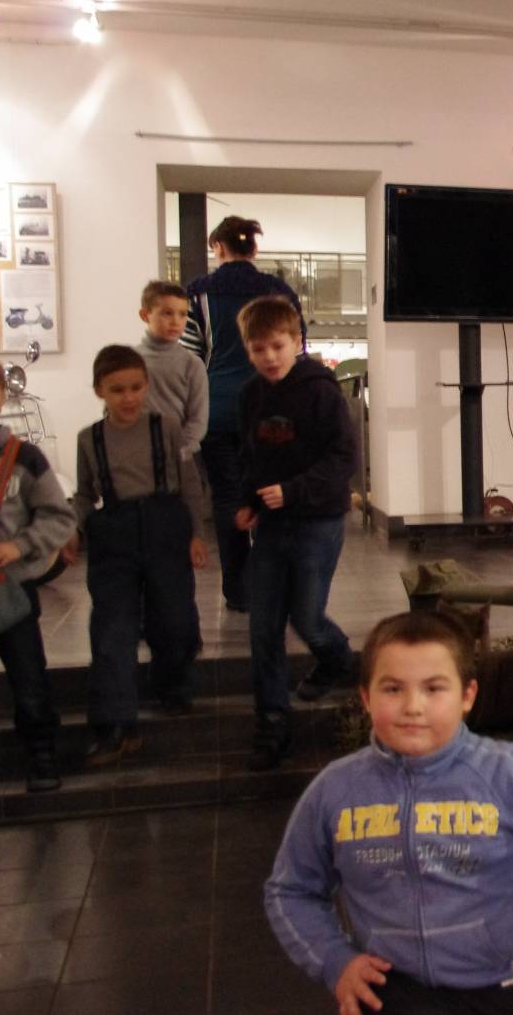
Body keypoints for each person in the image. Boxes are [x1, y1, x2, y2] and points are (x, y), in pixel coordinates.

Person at [265, 609, 513, 1015]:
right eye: (392, 688)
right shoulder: (335, 791)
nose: (413, 706)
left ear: (467, 696)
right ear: (366, 698)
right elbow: (291, 890)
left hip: (506, 986)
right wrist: (334, 961)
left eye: (433, 688)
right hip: (392, 990)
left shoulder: (509, 776)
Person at [234, 295, 359, 770]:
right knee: (263, 626)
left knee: (307, 617)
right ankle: (271, 720)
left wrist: (294, 490)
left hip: (318, 521)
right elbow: (251, 456)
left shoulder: (321, 392)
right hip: (272, 525)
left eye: (277, 346)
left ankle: (338, 657)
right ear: (248, 349)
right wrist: (249, 502)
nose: (269, 357)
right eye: (259, 348)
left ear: (296, 342)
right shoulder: (250, 396)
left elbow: (344, 457)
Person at [65, 346, 207, 763]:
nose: (128, 397)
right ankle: (116, 726)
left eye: (135, 387)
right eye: (117, 390)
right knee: (112, 630)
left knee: (175, 619)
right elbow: (85, 494)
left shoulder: (166, 427)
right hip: (114, 536)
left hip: (166, 527)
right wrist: (73, 529)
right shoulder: (89, 439)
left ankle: (172, 684)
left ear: (146, 386)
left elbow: (189, 483)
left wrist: (196, 533)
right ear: (99, 391)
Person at [182, 215, 306, 614]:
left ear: (218, 247)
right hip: (272, 410)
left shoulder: (197, 294)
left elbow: (190, 359)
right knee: (273, 493)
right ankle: (274, 582)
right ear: (254, 248)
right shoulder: (280, 292)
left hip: (218, 411)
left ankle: (238, 589)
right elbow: (298, 352)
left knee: (227, 497)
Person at [0, 359, 76, 793]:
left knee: (28, 674)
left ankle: (42, 751)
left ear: (1, 396)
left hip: (12, 589)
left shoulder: (24, 457)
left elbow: (58, 516)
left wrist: (20, 546)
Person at [138, 280, 208, 460]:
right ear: (145, 315)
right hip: (139, 455)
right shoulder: (129, 360)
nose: (176, 321)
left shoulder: (192, 364)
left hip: (181, 457)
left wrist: (178, 452)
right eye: (167, 313)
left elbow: (198, 420)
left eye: (183, 314)